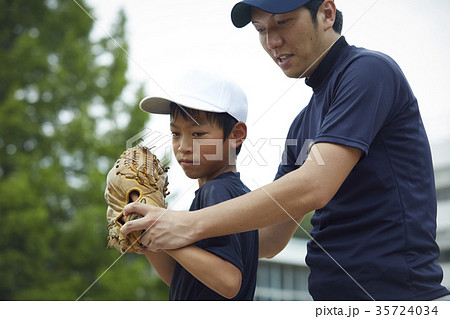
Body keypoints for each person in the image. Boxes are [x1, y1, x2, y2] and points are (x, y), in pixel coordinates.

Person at [121, 0, 450, 300]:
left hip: (400, 298)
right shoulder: (302, 123)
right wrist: (152, 233)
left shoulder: (369, 71)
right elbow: (266, 239)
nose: (271, 42)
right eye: (261, 29)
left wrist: (185, 224)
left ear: (326, 14)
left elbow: (314, 186)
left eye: (283, 22)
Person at [134, 70, 258, 300]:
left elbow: (229, 282)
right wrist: (148, 239)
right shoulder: (232, 193)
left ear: (236, 134)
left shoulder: (217, 191)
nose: (183, 146)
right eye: (175, 133)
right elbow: (182, 278)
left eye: (198, 133)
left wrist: (167, 239)